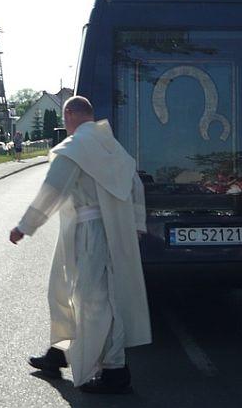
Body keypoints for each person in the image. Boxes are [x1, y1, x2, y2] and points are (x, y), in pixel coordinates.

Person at [9, 96, 151, 394]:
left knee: (94, 302)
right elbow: (136, 186)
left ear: (71, 114)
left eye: (64, 117)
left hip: (88, 233)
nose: (64, 124)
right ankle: (57, 353)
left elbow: (53, 189)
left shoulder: (75, 149)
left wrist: (25, 226)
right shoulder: (111, 146)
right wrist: (136, 225)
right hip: (107, 229)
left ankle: (115, 369)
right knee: (62, 291)